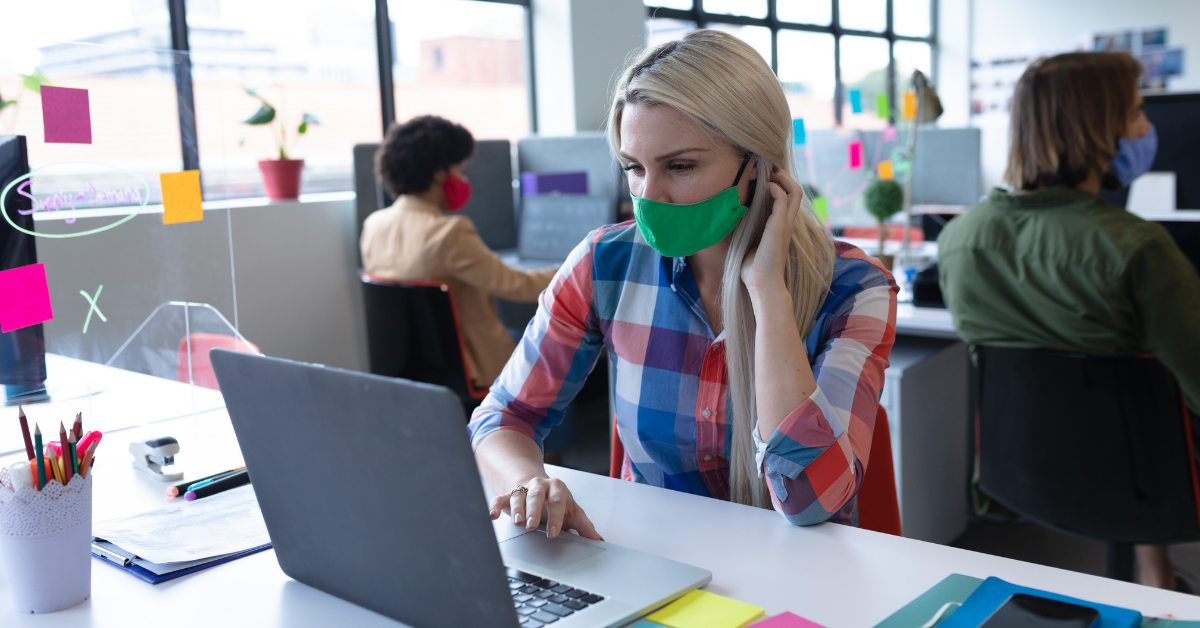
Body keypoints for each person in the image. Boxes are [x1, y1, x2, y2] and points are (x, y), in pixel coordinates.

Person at [468, 30, 898, 541]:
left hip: (794, 578)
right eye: (633, 169)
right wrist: (527, 484)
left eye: (681, 166)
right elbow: (503, 417)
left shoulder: (856, 288)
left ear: (759, 167)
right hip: (650, 564)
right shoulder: (606, 262)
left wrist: (768, 295)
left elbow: (809, 502)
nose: (649, 197)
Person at [938, 52, 1200, 590]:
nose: (1147, 127)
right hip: (1147, 477)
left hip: (1027, 472)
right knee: (1142, 409)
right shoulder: (1137, 246)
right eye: (1135, 112)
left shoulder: (959, 241)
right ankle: (1153, 576)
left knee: (1127, 398)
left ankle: (1153, 570)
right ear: (1096, 125)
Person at [361, 115, 556, 391]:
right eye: (460, 169)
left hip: (416, 364)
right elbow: (518, 286)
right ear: (440, 172)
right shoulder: (449, 233)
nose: (463, 178)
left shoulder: (374, 225)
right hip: (469, 364)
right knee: (555, 360)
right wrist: (570, 270)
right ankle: (547, 433)